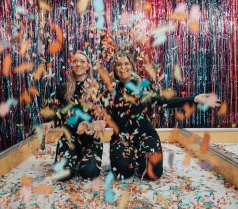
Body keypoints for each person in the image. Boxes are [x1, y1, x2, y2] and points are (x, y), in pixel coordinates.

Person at [100, 52, 220, 181]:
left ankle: (141, 157)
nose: (123, 67)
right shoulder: (108, 92)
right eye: (119, 64)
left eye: (126, 63)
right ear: (114, 69)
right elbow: (102, 115)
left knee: (152, 174)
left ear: (132, 67)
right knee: (123, 173)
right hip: (121, 137)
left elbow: (165, 101)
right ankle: (131, 157)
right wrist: (100, 121)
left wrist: (194, 99)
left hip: (145, 134)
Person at [43, 51, 105, 181]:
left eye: (82, 61)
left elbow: (104, 112)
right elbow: (58, 113)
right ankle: (73, 155)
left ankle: (83, 156)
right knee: (63, 175)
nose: (78, 64)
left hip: (90, 138)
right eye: (75, 61)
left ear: (88, 66)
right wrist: (50, 123)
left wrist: (101, 122)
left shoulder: (97, 88)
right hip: (69, 137)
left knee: (89, 173)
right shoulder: (62, 89)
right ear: (71, 66)